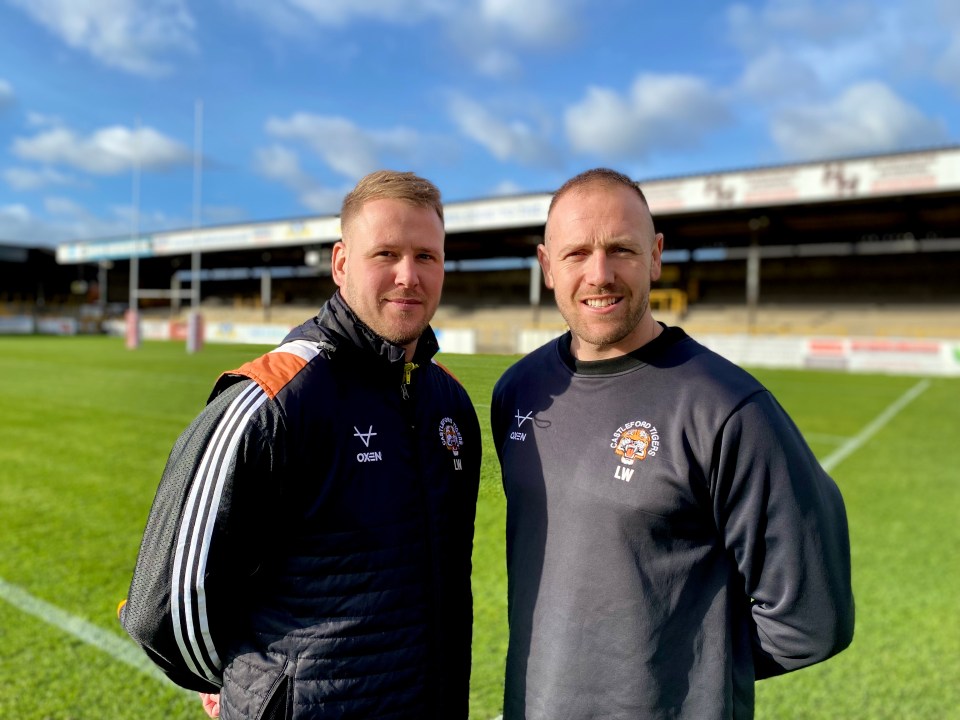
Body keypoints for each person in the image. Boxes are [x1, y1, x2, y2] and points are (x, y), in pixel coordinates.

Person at [491, 168, 854, 719]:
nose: (600, 273)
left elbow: (813, 617)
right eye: (576, 254)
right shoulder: (518, 391)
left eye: (622, 249)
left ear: (656, 256)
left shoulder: (729, 408)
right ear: (546, 265)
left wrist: (681, 674)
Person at [120, 170, 481, 719]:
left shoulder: (450, 404)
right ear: (341, 263)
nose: (408, 275)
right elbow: (164, 606)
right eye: (385, 253)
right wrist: (244, 684)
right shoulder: (273, 398)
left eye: (426, 256)